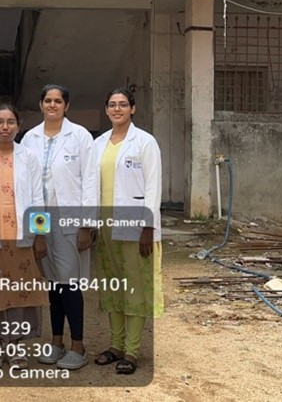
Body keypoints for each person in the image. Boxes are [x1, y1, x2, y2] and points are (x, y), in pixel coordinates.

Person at [20, 84, 99, 371]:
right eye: (47, 100)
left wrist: (86, 225)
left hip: (71, 219)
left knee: (70, 284)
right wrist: (37, 231)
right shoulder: (29, 139)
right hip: (43, 221)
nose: (52, 105)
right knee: (52, 285)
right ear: (40, 104)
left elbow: (90, 181)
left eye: (58, 101)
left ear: (66, 106)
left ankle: (78, 345)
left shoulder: (80, 137)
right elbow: (29, 187)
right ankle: (56, 342)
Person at [0, 104, 48, 369]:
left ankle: (15, 345)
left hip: (21, 236)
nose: (5, 127)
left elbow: (39, 197)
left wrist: (40, 234)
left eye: (11, 122)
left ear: (19, 125)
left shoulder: (30, 157)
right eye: (0, 122)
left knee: (18, 291)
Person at [92, 87, 163, 376]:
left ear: (132, 109)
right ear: (106, 110)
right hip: (106, 225)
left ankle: (132, 351)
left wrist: (148, 226)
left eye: (123, 104)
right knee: (112, 286)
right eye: (112, 105)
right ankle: (116, 345)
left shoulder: (145, 142)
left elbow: (152, 185)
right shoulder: (98, 144)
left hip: (135, 226)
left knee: (134, 286)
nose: (117, 109)